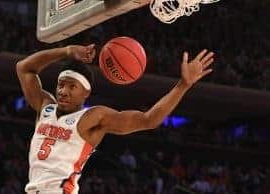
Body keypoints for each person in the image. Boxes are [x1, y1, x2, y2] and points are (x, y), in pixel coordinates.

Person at [16, 44, 214, 194]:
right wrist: (66, 51)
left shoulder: (92, 117)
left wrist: (183, 85)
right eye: (60, 85)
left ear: (86, 92)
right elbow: (24, 68)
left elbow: (148, 120)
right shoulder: (45, 107)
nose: (63, 91)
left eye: (71, 87)